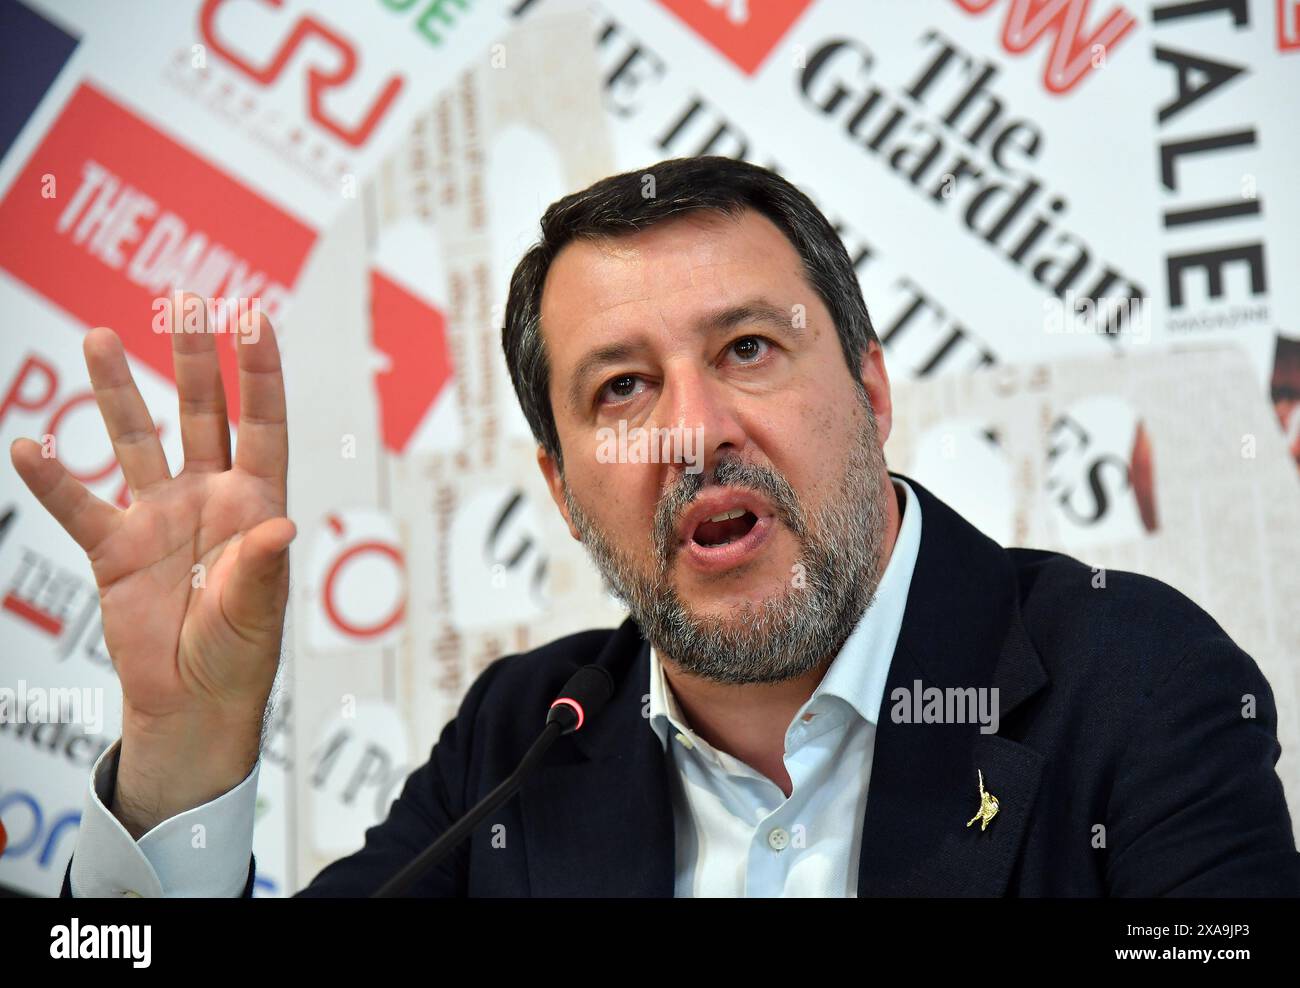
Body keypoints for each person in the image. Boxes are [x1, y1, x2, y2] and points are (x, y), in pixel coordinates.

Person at [12, 157, 1299, 897]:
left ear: (868, 389)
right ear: (565, 488)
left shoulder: (1130, 684)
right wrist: (184, 756)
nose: (691, 431)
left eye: (746, 347)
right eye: (620, 388)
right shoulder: (522, 742)